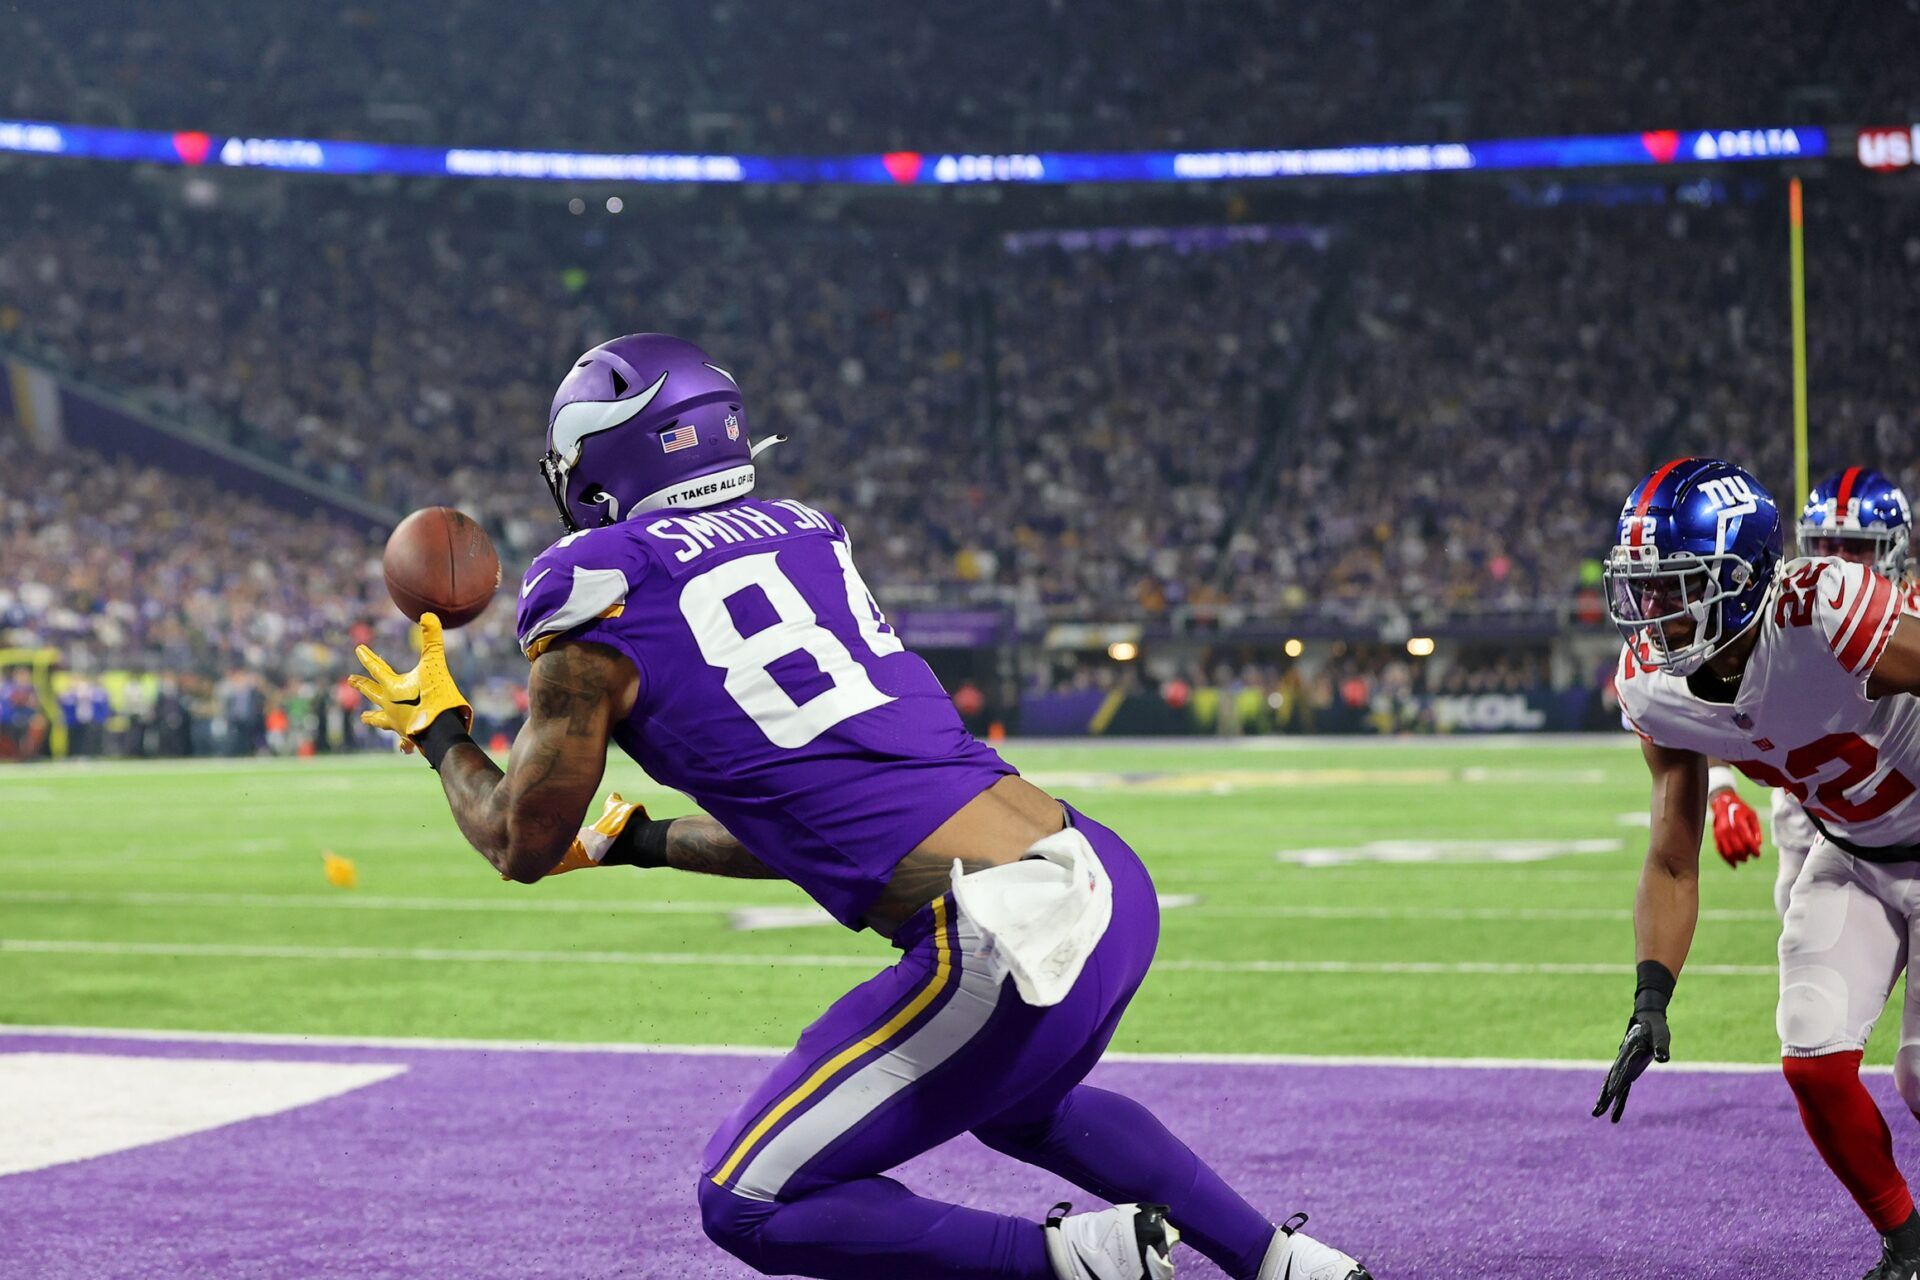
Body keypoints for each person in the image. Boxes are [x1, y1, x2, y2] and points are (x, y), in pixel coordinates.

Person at [348, 334, 1371, 1280]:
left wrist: (440, 733)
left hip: (999, 935)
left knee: (746, 1195)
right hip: (1097, 871)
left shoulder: (592, 582)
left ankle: (1069, 1259)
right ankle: (1284, 1263)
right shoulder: (805, 533)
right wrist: (647, 842)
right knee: (1024, 1107)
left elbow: (518, 841)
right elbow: (825, 821)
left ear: (607, 464)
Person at [1592, 457, 1920, 1279]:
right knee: (1811, 1054)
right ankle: (1908, 1246)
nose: (1652, 612)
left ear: (1740, 574)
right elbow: (1673, 855)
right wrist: (1649, 995)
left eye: (1674, 586)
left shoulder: (1827, 609)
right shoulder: (1653, 688)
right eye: (1644, 588)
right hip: (1852, 850)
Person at [1705, 468, 1920, 917]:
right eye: (1825, 546)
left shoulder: (1910, 622)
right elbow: (1716, 692)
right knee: (1798, 917)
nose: (1838, 562)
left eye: (1857, 548)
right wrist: (1721, 786)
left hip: (1904, 820)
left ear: (1897, 550)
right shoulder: (1786, 616)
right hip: (1810, 809)